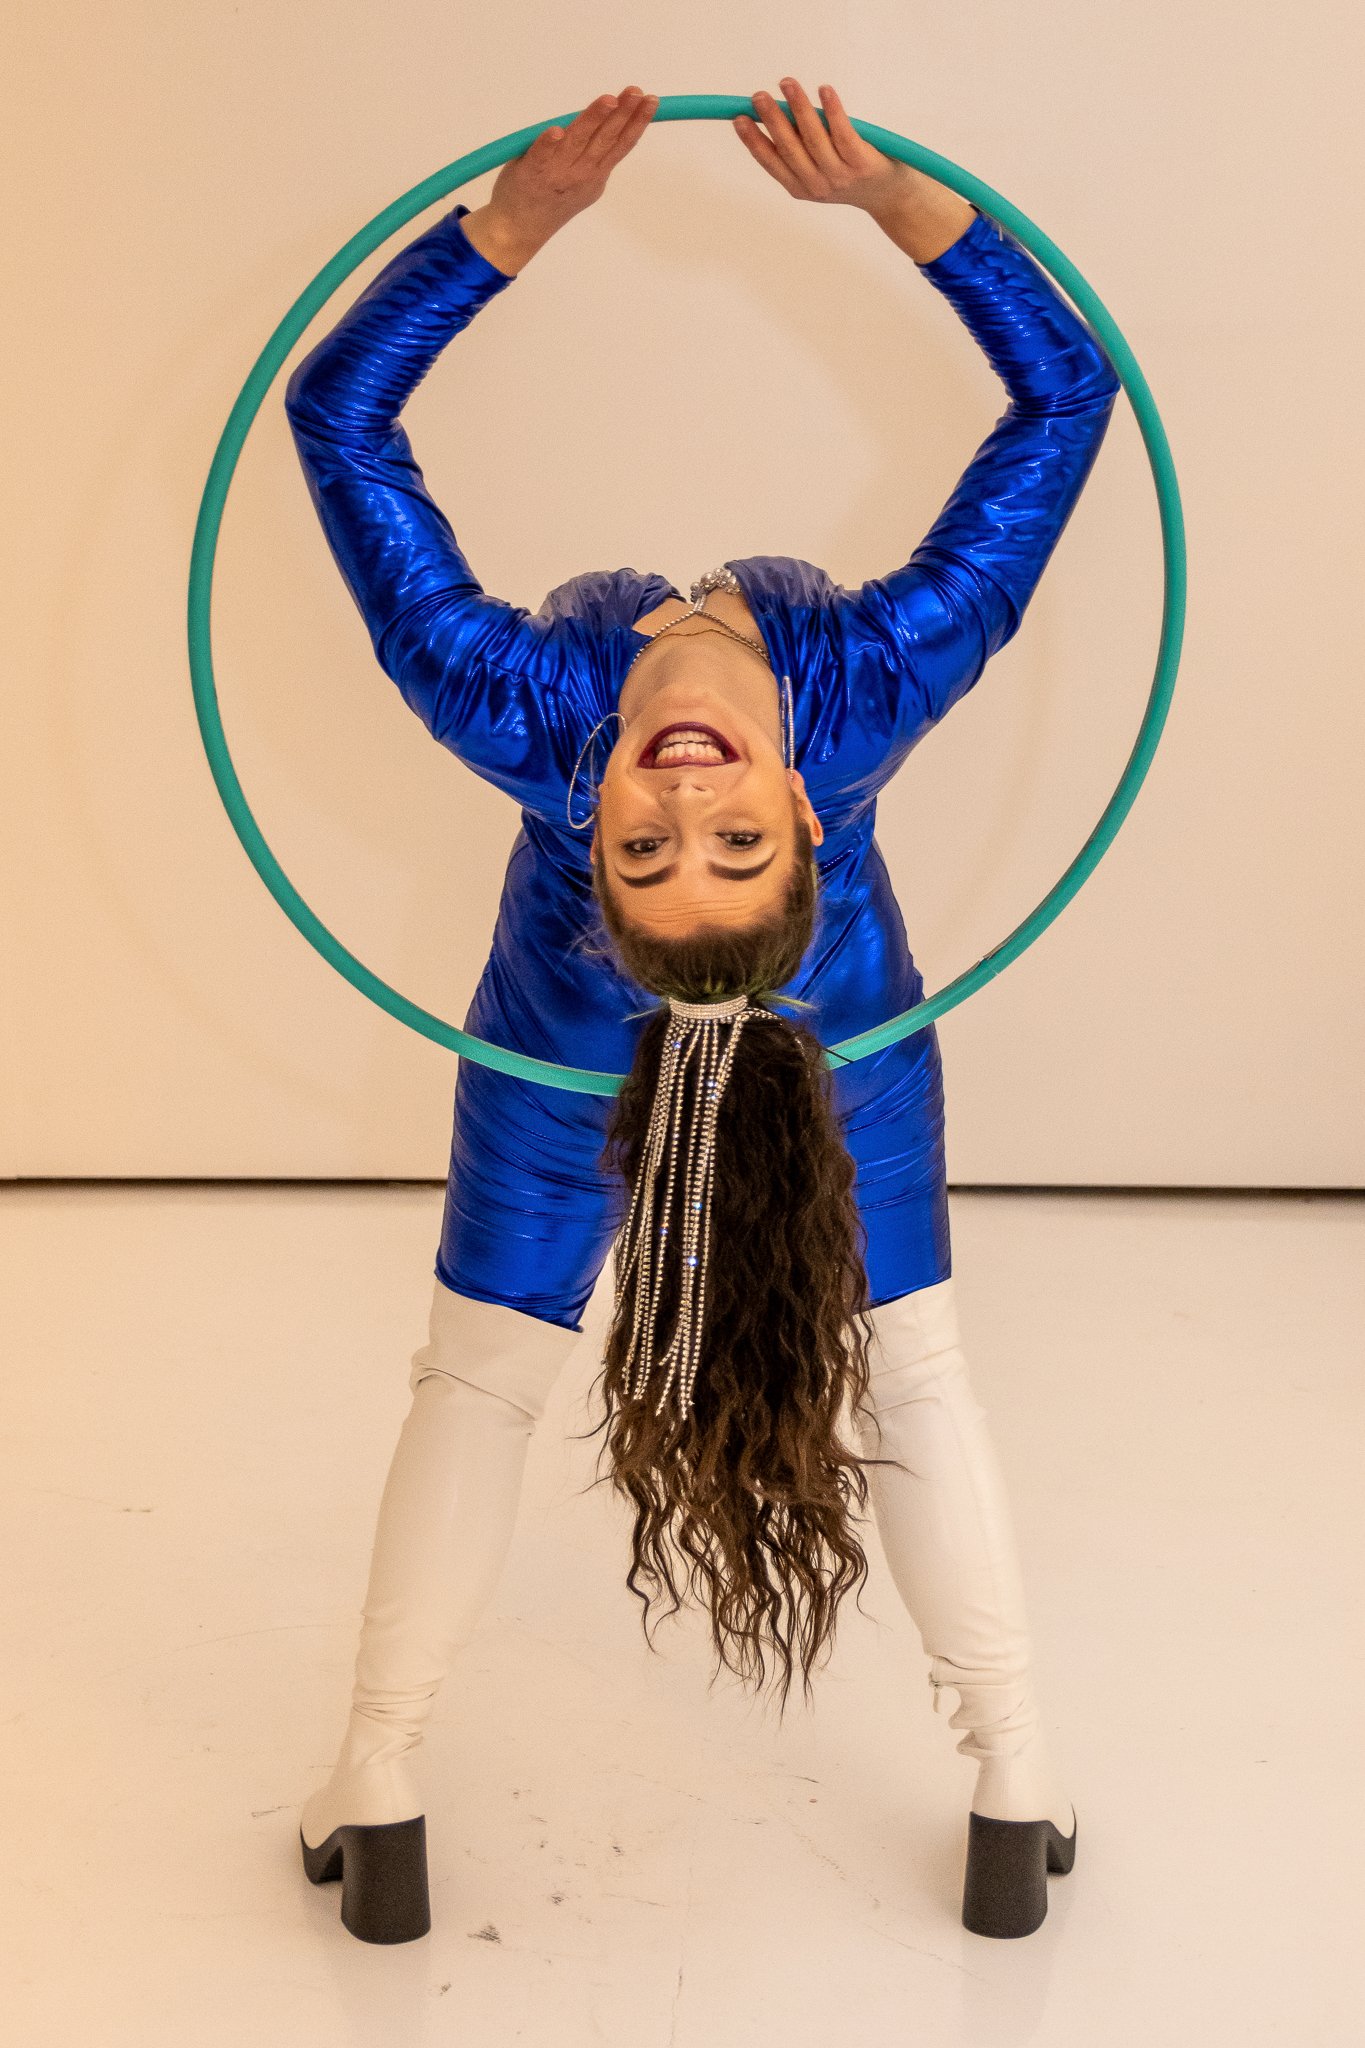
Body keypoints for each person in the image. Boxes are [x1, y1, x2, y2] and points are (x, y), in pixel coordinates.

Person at [284, 80, 1121, 1944]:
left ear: (582, 837)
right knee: (886, 1369)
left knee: (496, 1375)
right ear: (808, 817)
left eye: (659, 845)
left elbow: (339, 416)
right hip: (845, 1043)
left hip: (666, 1041)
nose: (677, 801)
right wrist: (897, 205)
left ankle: (379, 1788)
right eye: (714, 834)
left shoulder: (509, 700)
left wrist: (499, 243)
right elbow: (1064, 401)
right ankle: (1019, 1788)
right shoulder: (872, 677)